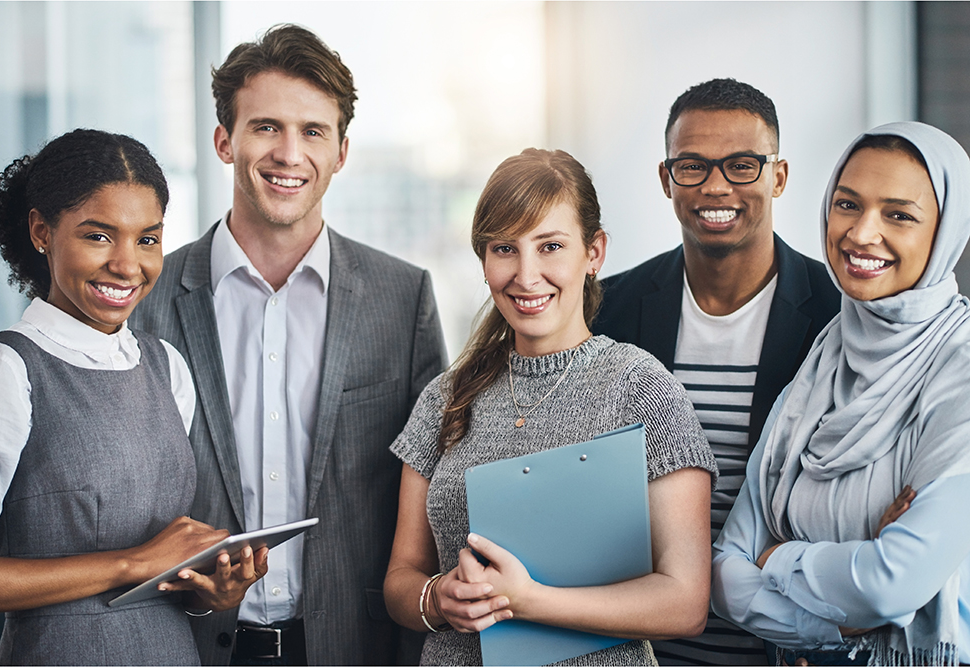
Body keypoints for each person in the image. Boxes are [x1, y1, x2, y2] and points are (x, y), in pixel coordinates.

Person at [130, 24, 447, 666]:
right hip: (183, 645)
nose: (288, 153)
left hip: (352, 648)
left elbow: (438, 483)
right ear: (225, 140)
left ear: (342, 152)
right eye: (266, 126)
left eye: (313, 132)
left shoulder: (402, 297)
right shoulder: (147, 301)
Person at [383, 148, 718, 665]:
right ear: (484, 260)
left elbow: (686, 601)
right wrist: (439, 598)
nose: (526, 274)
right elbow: (402, 578)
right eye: (505, 249)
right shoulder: (444, 399)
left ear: (594, 253)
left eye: (551, 246)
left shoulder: (641, 389)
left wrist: (529, 602)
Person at [0, 128, 267, 665]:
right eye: (99, 236)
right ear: (42, 231)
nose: (129, 266)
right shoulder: (7, 370)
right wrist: (129, 563)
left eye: (147, 239)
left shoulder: (166, 366)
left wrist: (212, 592)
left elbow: (165, 571)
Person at [594, 78, 841, 665]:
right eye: (693, 166)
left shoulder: (838, 318)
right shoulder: (607, 309)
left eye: (742, 165)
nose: (715, 186)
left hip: (781, 644)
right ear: (666, 178)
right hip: (634, 641)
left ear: (778, 177)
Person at [712, 121, 970, 666]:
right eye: (847, 204)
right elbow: (726, 574)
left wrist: (779, 558)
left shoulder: (960, 366)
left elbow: (891, 584)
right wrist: (844, 622)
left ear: (945, 230)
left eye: (898, 215)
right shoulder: (828, 354)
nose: (860, 234)